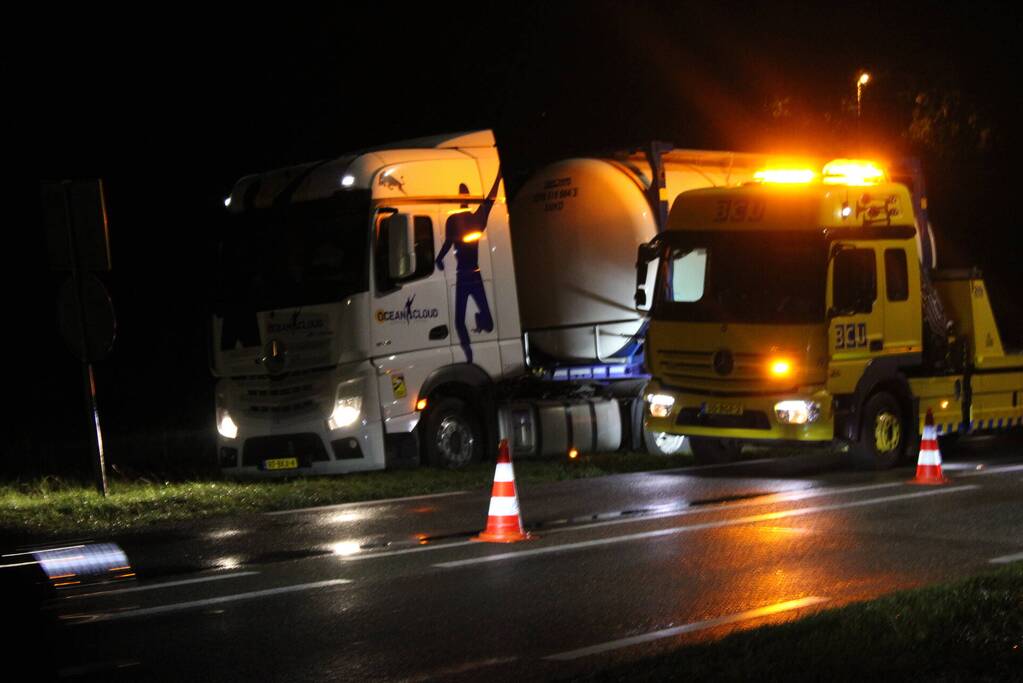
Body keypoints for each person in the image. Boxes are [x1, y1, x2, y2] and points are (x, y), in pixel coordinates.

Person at [435, 168, 502, 362]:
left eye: (464, 193)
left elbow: (491, 199)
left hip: (473, 274)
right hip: (463, 275)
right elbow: (447, 243)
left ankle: (481, 323)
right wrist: (438, 259)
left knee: (488, 324)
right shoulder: (454, 219)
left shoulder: (475, 218)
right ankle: (469, 357)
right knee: (458, 321)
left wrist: (497, 177)